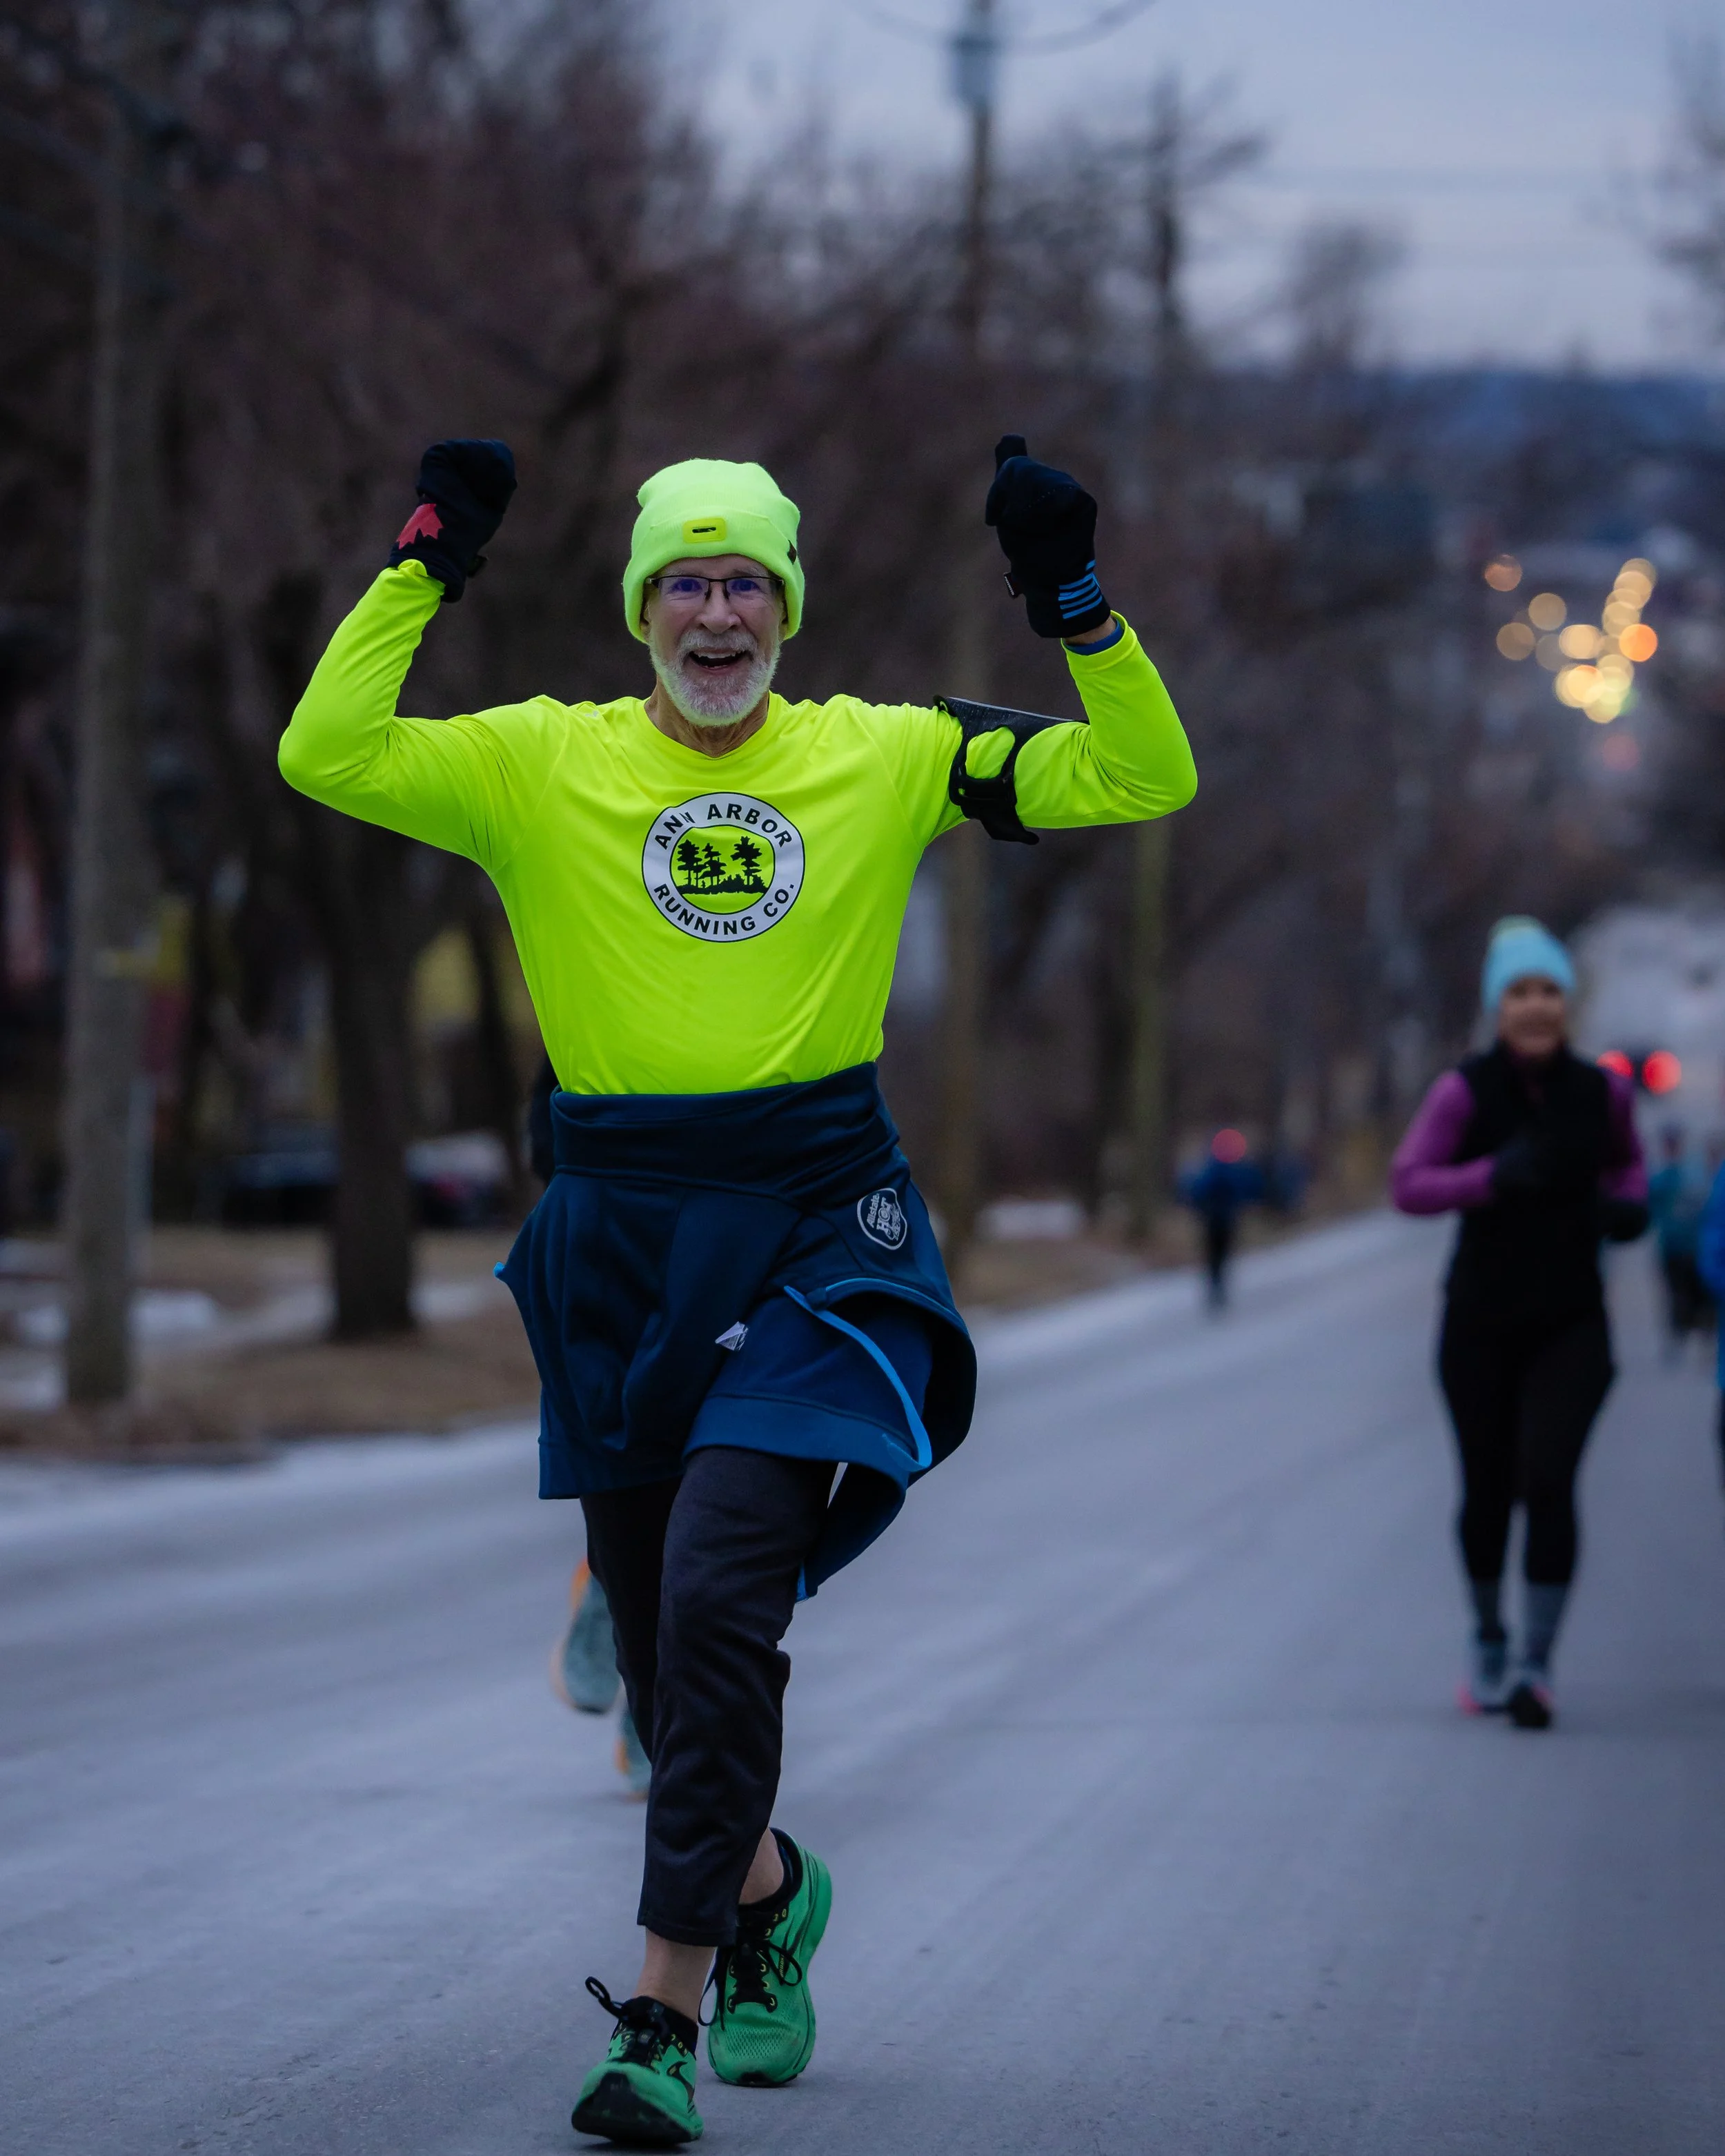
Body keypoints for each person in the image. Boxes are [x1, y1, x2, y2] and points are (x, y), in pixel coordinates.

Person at [279, 435, 1196, 2144]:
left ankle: (657, 2018)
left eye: (747, 581)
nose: (718, 611)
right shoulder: (535, 765)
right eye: (687, 581)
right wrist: (424, 560)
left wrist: (1071, 605)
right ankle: (771, 1898)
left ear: (787, 606)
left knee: (714, 1608)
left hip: (813, 1232)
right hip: (622, 1239)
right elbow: (323, 748)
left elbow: (1142, 778)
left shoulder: (888, 754)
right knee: (659, 1668)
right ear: (644, 610)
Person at [1391, 918, 1647, 1732]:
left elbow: (1627, 1161)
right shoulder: (1463, 1091)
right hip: (1479, 1321)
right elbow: (1409, 1184)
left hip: (1571, 1318)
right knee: (1487, 1490)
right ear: (1495, 1007)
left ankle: (1536, 1662)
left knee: (1548, 1479)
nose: (1535, 1007)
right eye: (1518, 993)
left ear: (1566, 1004)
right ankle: (1488, 1637)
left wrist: (1628, 1207)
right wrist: (1487, 1177)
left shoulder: (1600, 1090)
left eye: (1548, 992)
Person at [1647, 1126, 1713, 1357]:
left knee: (1698, 1295)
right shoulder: (1661, 1177)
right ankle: (1678, 1337)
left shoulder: (1694, 1174)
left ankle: (1703, 1337)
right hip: (1672, 1247)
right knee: (1676, 1294)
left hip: (1693, 1247)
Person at [1181, 1129, 1263, 1311]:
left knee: (1213, 1255)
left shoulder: (1209, 1169)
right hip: (1226, 1218)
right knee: (1222, 1254)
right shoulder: (1236, 1170)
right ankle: (1219, 1287)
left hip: (1212, 1218)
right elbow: (1249, 1189)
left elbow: (1197, 1190)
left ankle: (1215, 1287)